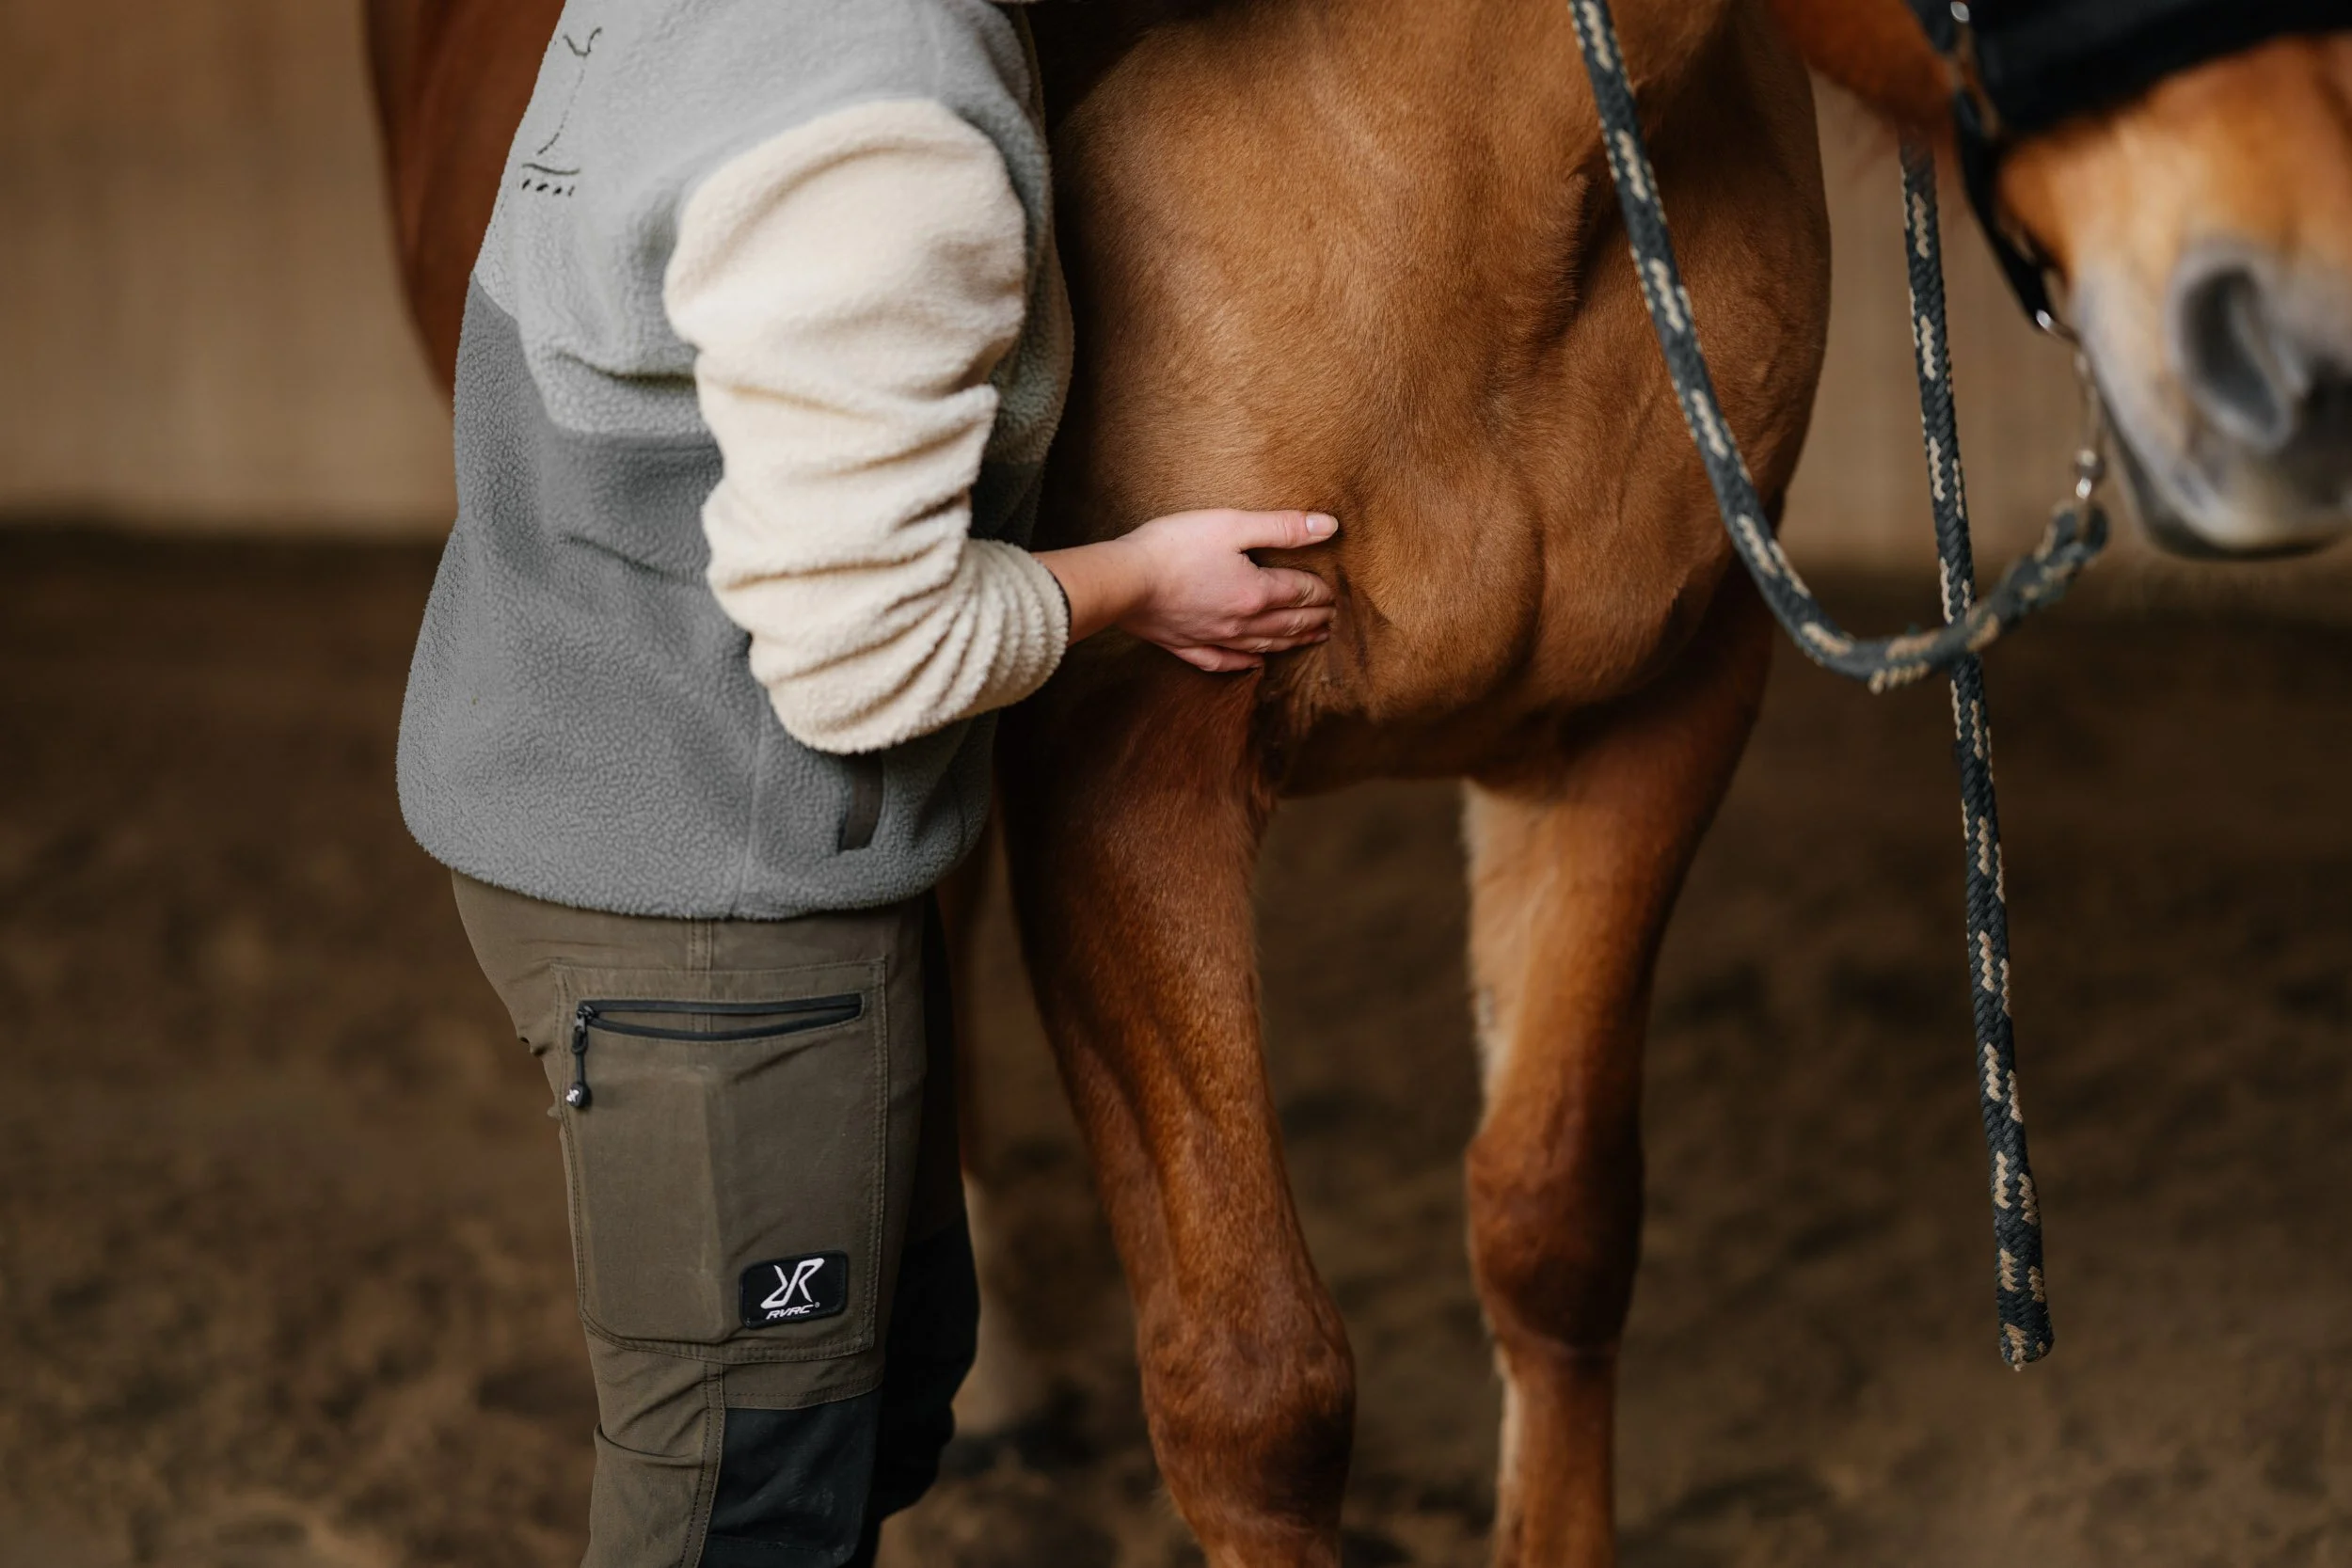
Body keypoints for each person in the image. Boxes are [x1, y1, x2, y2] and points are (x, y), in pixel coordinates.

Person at [393, 1, 1338, 1564]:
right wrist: (1137, 582)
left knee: (882, 1395)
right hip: (712, 898)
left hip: (607, 771)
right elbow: (858, 660)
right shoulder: (883, 136)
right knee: (744, 1503)